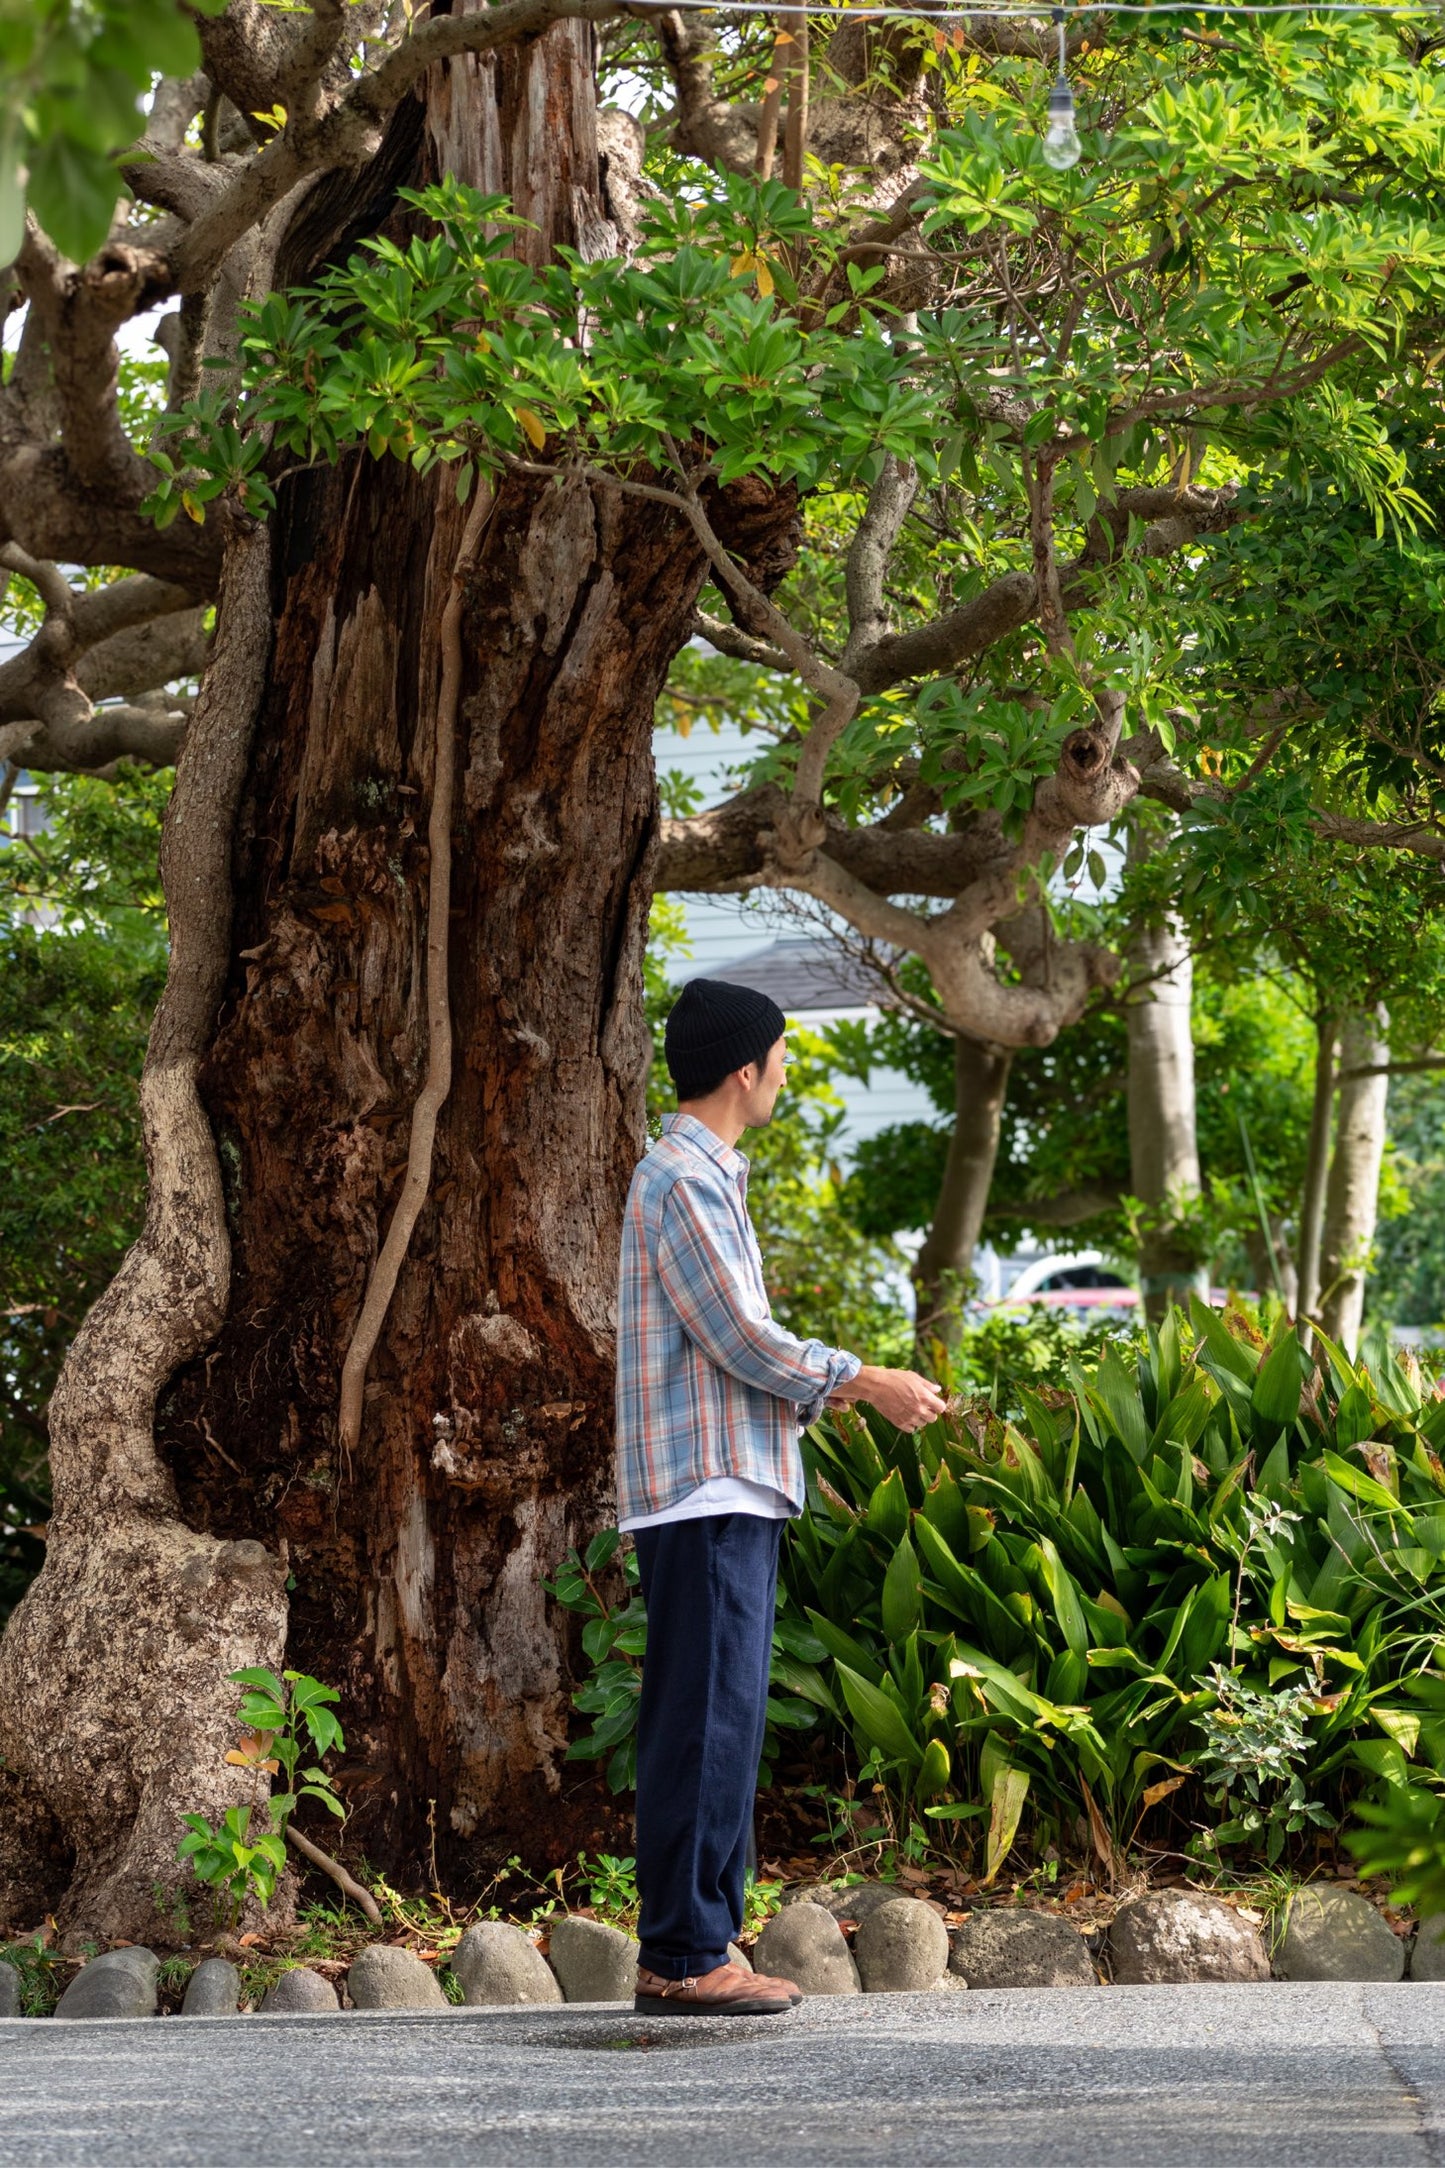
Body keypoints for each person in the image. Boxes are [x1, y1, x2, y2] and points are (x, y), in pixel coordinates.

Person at [615, 977, 948, 2017]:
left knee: (717, 1715)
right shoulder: (681, 1179)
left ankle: (693, 1940)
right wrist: (867, 1378)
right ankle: (683, 1949)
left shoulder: (702, 1175)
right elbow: (740, 1336)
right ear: (743, 1068)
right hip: (706, 1487)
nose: (785, 1072)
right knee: (704, 1719)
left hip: (723, 1483)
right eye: (780, 1056)